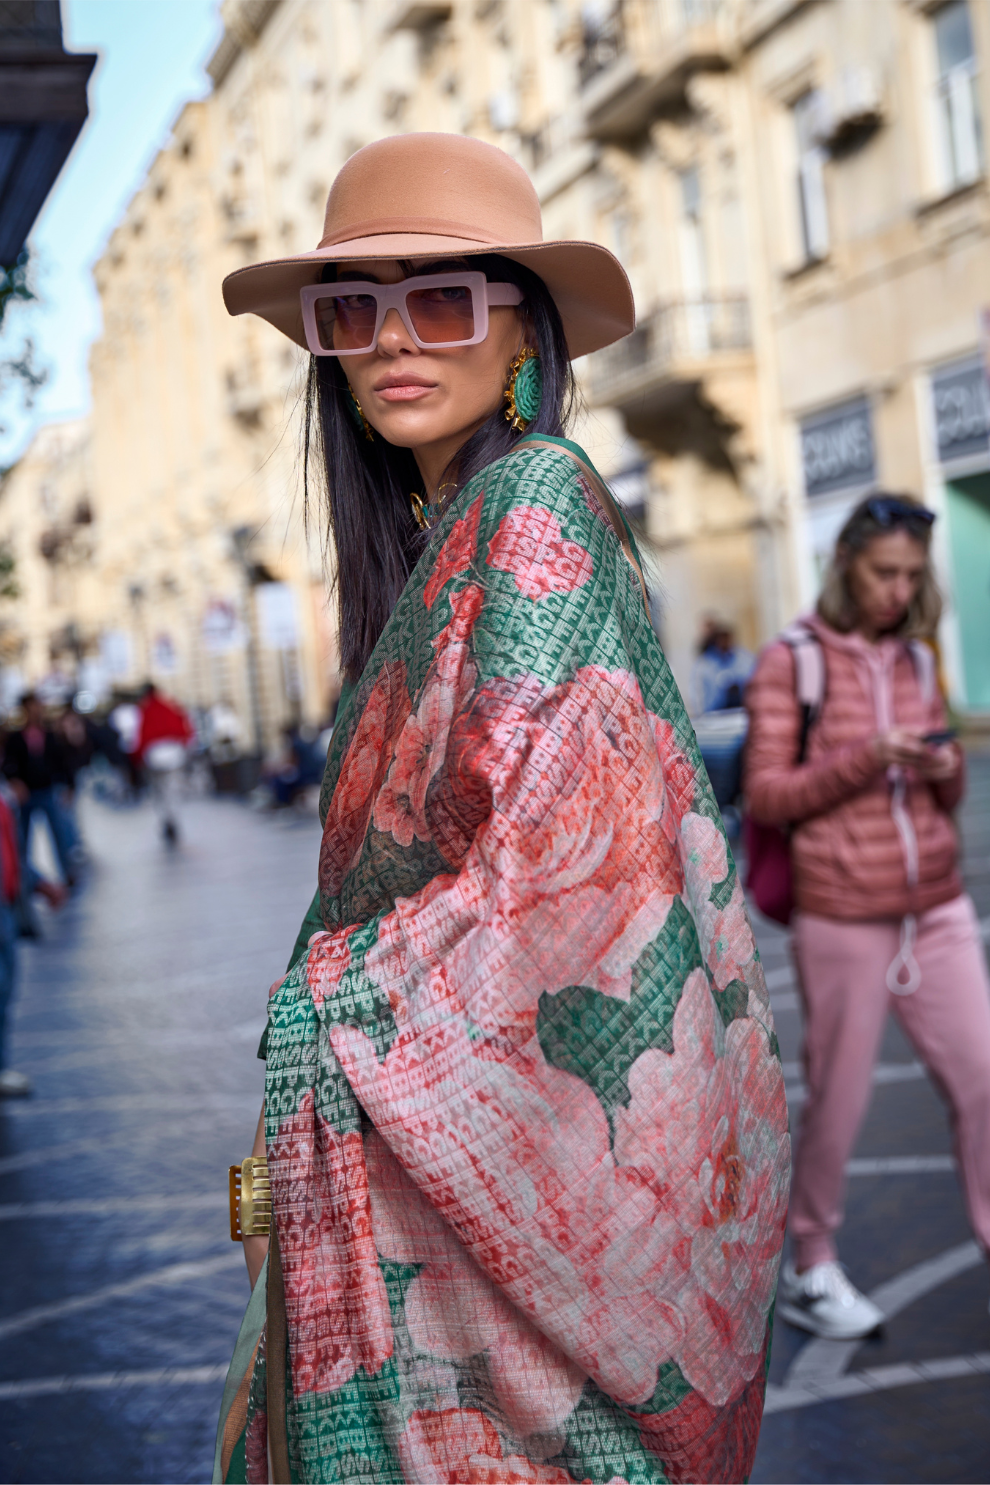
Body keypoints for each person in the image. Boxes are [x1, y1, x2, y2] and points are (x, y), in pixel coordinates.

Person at [214, 133, 789, 1485]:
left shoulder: (533, 501)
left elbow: (546, 876)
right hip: (411, 1160)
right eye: (351, 311)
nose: (393, 340)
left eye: (442, 300)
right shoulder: (432, 543)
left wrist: (313, 1019)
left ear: (520, 328)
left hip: (480, 1173)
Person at [745, 493, 990, 1340]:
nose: (897, 590)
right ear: (846, 560)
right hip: (843, 912)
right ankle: (813, 1266)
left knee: (985, 1083)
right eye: (885, 571)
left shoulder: (920, 662)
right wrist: (865, 758)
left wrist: (944, 763)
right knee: (841, 1099)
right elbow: (768, 792)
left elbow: (946, 794)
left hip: (938, 908)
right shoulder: (794, 660)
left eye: (913, 576)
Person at [3, 692, 76, 886]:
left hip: (48, 790)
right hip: (27, 795)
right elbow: (9, 764)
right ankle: (26, 879)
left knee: (60, 833)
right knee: (23, 839)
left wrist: (69, 785)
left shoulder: (51, 735)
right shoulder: (16, 738)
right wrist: (15, 781)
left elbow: (62, 761)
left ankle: (67, 871)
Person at [134, 682, 194, 843]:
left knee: (159, 790)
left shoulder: (146, 709)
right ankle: (172, 817)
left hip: (155, 756)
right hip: (173, 753)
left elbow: (142, 735)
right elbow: (184, 727)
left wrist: (138, 757)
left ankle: (167, 818)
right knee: (171, 788)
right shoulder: (169, 705)